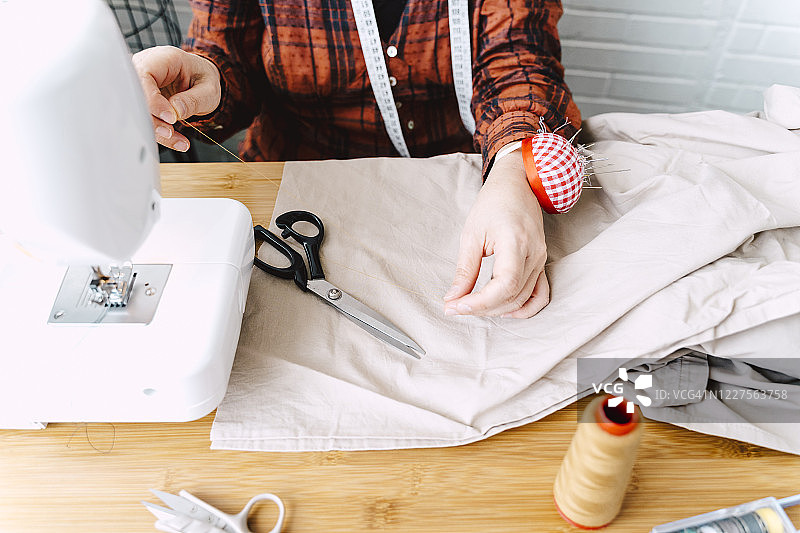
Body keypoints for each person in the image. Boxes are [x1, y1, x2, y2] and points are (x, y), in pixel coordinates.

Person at [132, 0, 581, 319]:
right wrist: (205, 76)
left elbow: (520, 59)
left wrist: (512, 169)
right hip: (297, 186)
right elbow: (228, 56)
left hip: (467, 186)